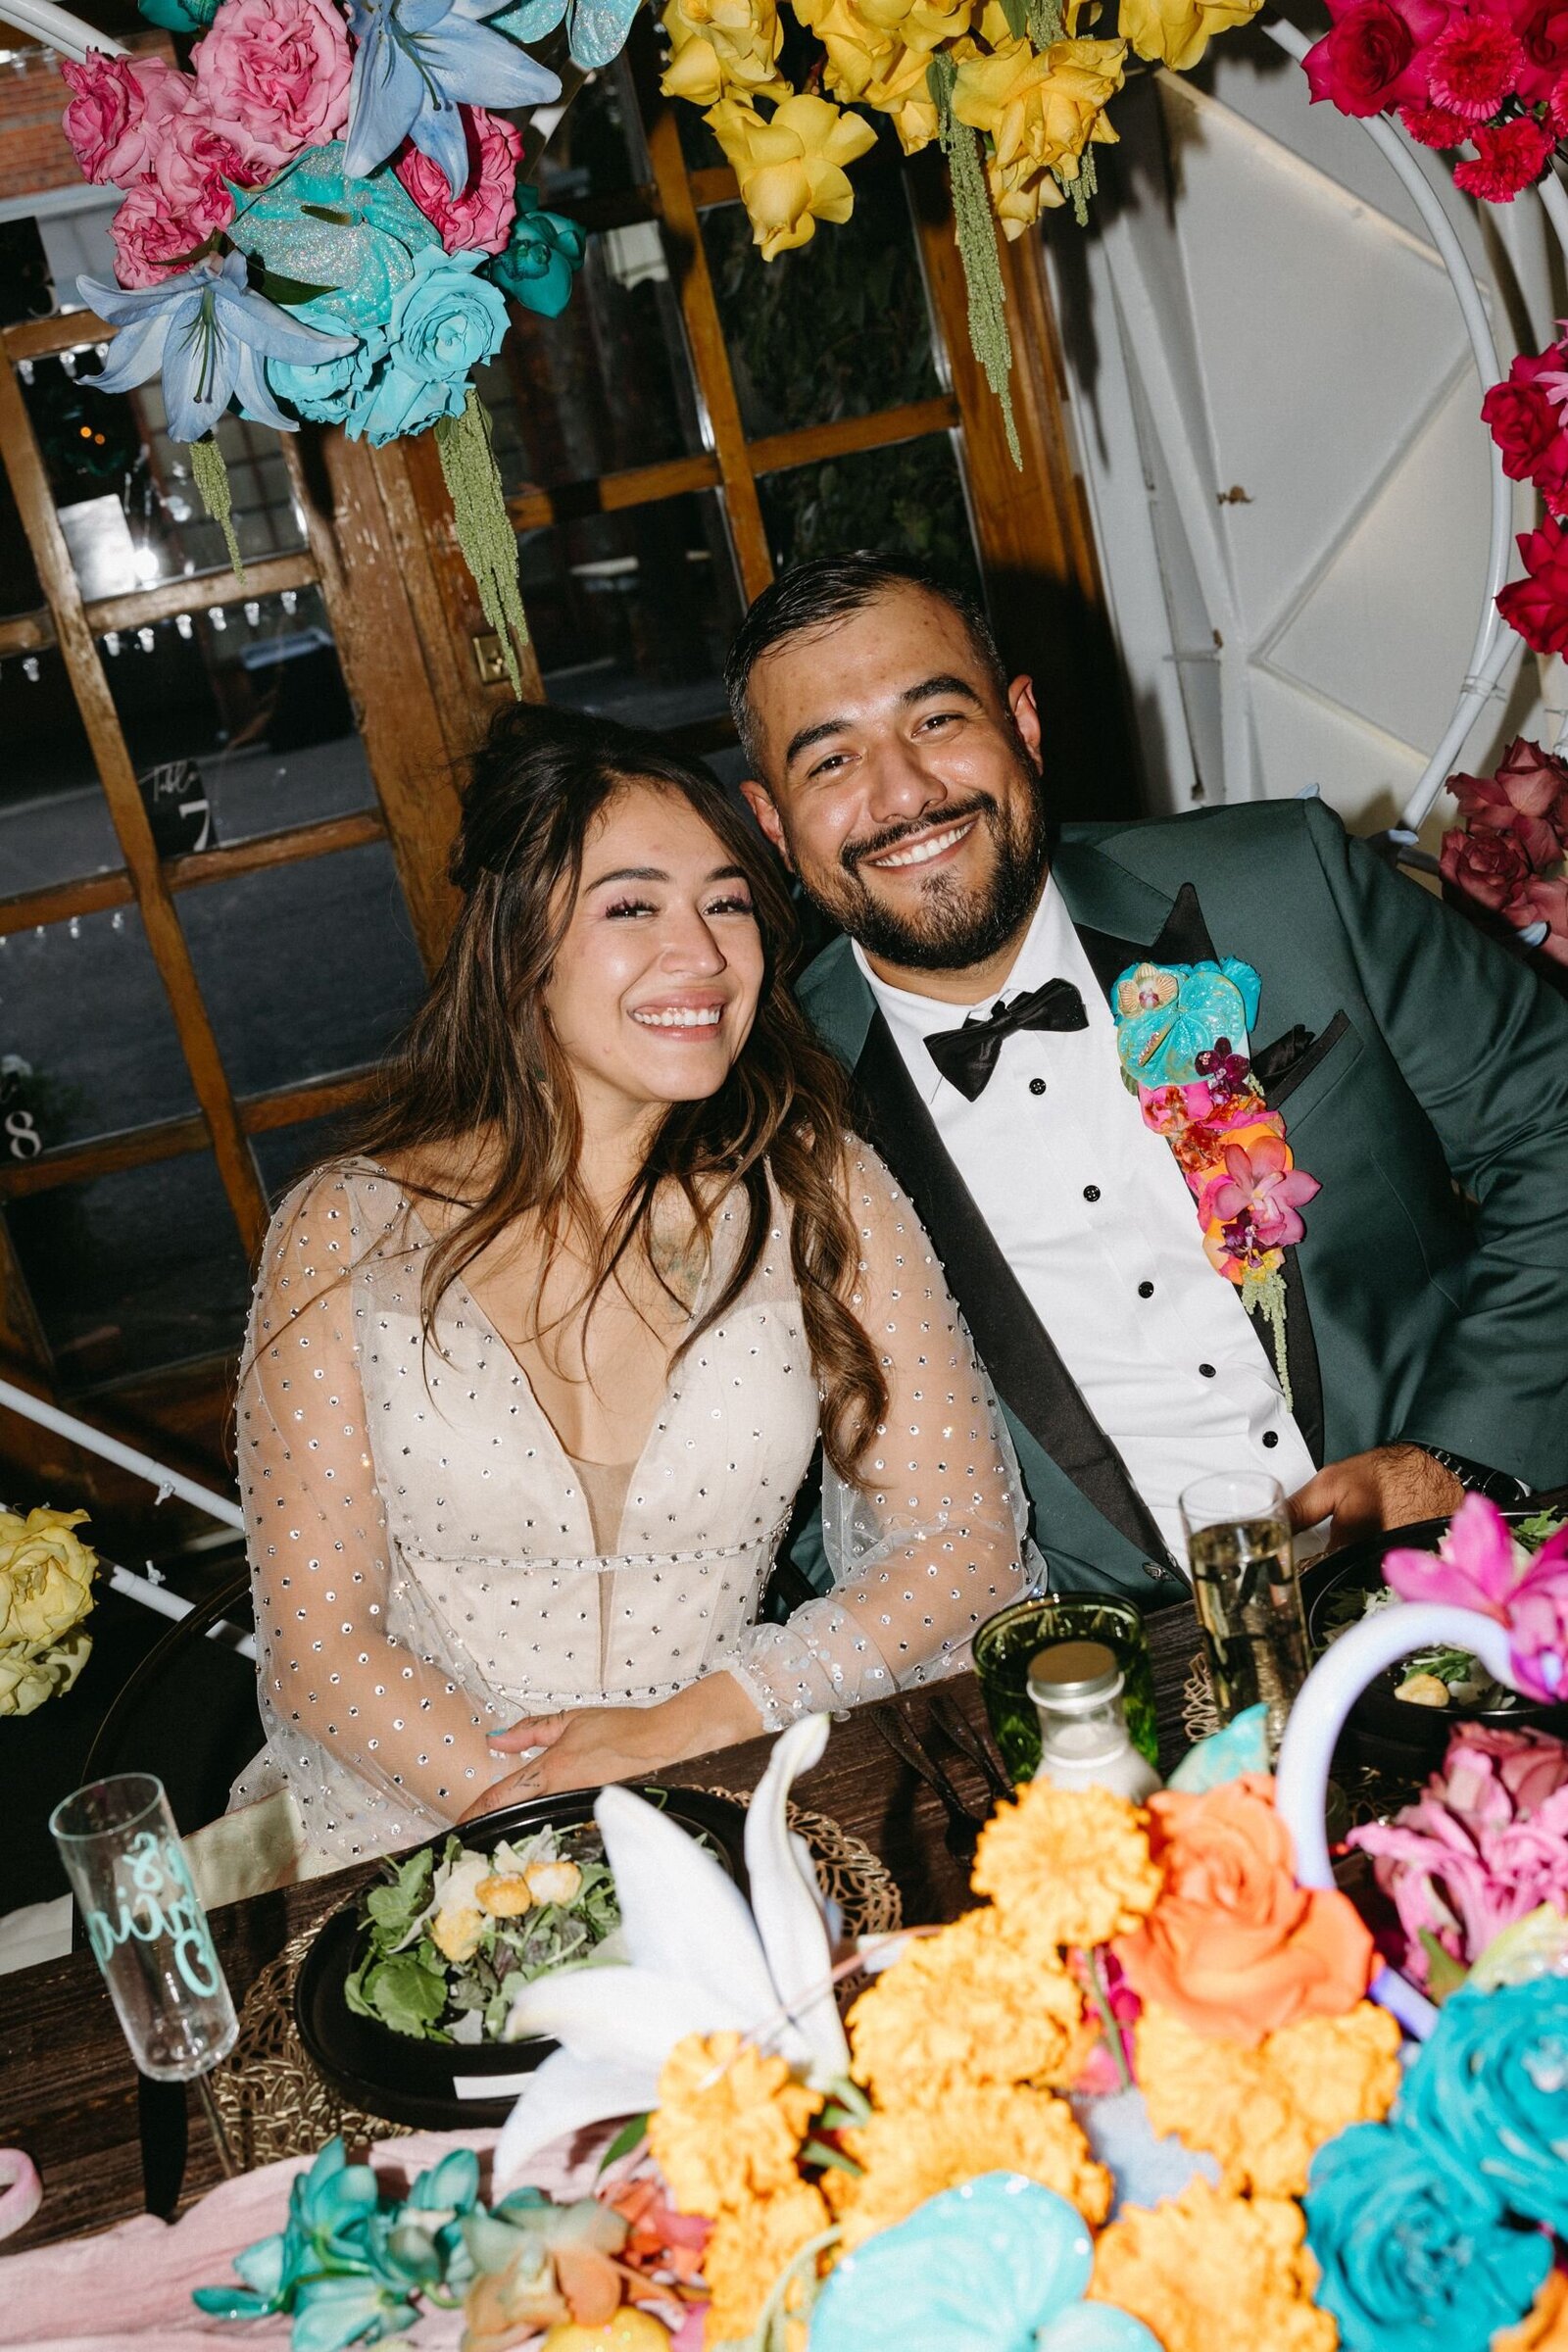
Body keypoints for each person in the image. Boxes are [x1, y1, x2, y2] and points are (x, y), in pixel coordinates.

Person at [233, 705, 1028, 1866]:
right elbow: (321, 1654)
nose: (701, 954)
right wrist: (558, 1832)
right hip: (413, 1828)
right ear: (519, 945)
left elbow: (962, 1542)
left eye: (726, 903)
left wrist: (690, 1736)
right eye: (632, 907)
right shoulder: (343, 1230)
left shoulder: (823, 1189)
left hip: (723, 1790)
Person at [728, 553, 1568, 1602]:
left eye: (936, 719)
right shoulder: (762, 1111)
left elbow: (1554, 1125)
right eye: (831, 761)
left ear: (1022, 723)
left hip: (1491, 1549)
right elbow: (785, 1500)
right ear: (773, 820)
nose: (904, 793)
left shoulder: (1289, 882)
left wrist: (1456, 1460)